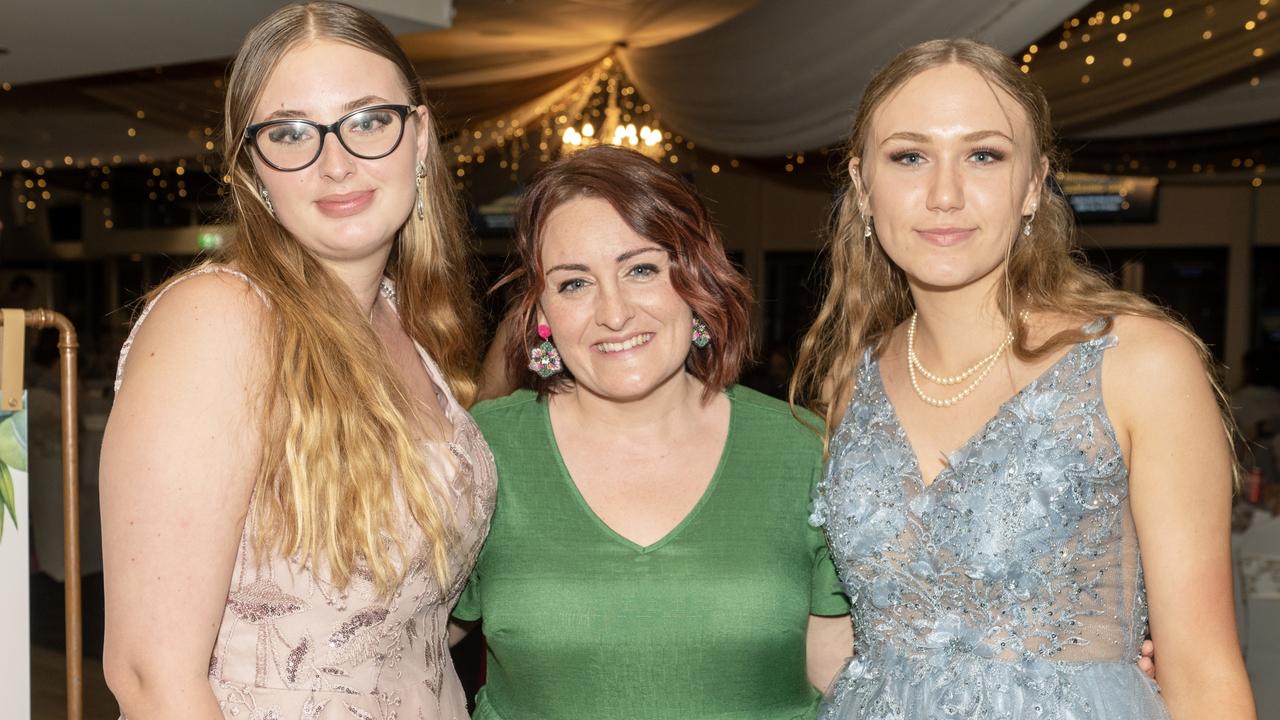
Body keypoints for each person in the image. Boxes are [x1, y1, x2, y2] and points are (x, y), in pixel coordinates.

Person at [793, 38, 1254, 719]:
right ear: (862, 186)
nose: (944, 194)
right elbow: (830, 638)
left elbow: (1206, 674)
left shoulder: (1140, 365)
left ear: (1034, 184)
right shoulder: (848, 382)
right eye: (909, 156)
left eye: (984, 155)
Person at [99, 3, 495, 718]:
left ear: (420, 134)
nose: (335, 162)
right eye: (289, 133)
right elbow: (151, 676)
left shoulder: (408, 324)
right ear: (253, 169)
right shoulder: (220, 319)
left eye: (369, 120)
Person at [450, 144, 853, 719]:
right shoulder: (481, 452)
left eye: (640, 269)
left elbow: (839, 675)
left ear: (696, 280)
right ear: (541, 313)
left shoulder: (799, 448)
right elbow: (392, 648)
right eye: (573, 284)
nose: (614, 313)